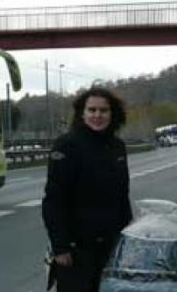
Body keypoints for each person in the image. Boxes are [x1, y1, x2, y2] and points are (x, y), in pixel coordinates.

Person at [42, 86, 133, 292]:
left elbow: (122, 197)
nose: (97, 115)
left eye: (103, 110)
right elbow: (53, 201)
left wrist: (127, 238)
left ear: (113, 113)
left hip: (111, 247)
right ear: (82, 113)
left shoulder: (118, 147)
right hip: (75, 250)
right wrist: (60, 246)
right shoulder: (66, 145)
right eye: (91, 110)